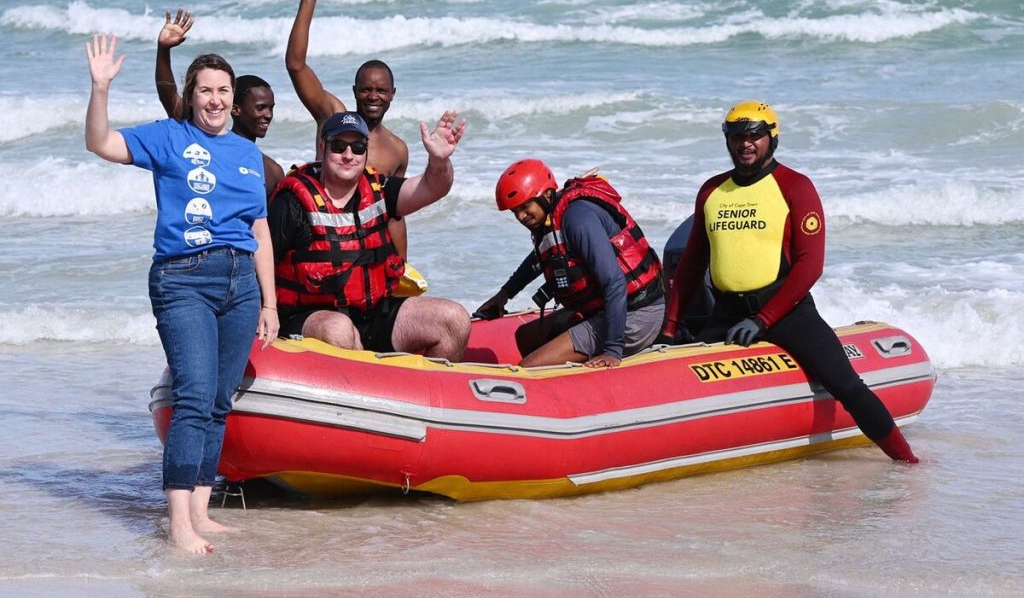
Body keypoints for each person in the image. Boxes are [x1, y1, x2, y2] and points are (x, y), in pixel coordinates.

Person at [85, 34, 279, 554]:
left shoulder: (246, 153)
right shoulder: (168, 138)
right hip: (183, 279)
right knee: (192, 396)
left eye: (223, 90)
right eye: (205, 90)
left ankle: (200, 513)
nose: (215, 99)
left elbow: (259, 230)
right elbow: (100, 144)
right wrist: (100, 88)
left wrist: (270, 302)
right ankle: (177, 524)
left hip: (241, 284)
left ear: (233, 98)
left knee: (218, 401)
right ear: (191, 96)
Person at [659, 100, 919, 463]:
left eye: (754, 136)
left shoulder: (795, 186)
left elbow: (810, 265)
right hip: (727, 315)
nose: (745, 143)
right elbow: (690, 266)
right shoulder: (712, 191)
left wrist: (763, 319)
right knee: (677, 379)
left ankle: (906, 461)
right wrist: (669, 329)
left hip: (787, 312)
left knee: (846, 384)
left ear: (772, 138)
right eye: (736, 136)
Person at [269, 110, 469, 361]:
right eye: (339, 146)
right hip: (309, 317)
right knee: (339, 330)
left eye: (358, 147)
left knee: (454, 319)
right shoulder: (292, 202)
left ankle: (425, 396)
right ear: (323, 146)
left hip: (372, 313)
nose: (348, 155)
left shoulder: (377, 189)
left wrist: (439, 160)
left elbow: (433, 187)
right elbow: (259, 261)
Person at [476, 160, 665, 369]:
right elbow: (539, 258)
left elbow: (615, 282)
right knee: (525, 337)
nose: (521, 216)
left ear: (546, 195)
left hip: (636, 313)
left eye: (524, 207)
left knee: (529, 367)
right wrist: (504, 295)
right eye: (514, 211)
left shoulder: (578, 219)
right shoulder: (552, 219)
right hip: (605, 309)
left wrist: (612, 350)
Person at [285, 0, 411, 259]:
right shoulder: (333, 116)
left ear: (393, 94)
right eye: (366, 89)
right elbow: (296, 66)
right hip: (320, 245)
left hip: (366, 254)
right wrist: (308, 2)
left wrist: (401, 268)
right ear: (355, 91)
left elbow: (396, 215)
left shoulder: (397, 150)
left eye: (381, 91)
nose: (373, 97)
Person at [155, 8, 285, 197]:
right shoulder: (203, 146)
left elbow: (273, 225)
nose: (268, 115)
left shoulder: (272, 171)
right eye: (260, 108)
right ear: (235, 108)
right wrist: (163, 50)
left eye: (271, 108)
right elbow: (170, 98)